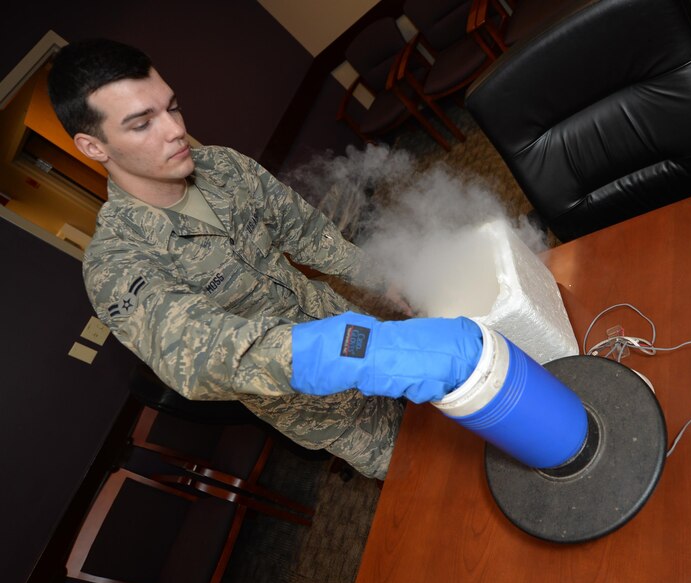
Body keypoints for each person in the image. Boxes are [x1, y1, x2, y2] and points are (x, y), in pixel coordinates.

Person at [48, 38, 482, 480]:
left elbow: (305, 232)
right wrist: (350, 353)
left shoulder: (222, 167)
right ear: (93, 146)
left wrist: (379, 278)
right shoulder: (116, 263)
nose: (175, 129)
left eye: (171, 107)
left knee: (466, 424)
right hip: (325, 410)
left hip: (350, 324)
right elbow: (204, 356)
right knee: (434, 482)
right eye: (142, 124)